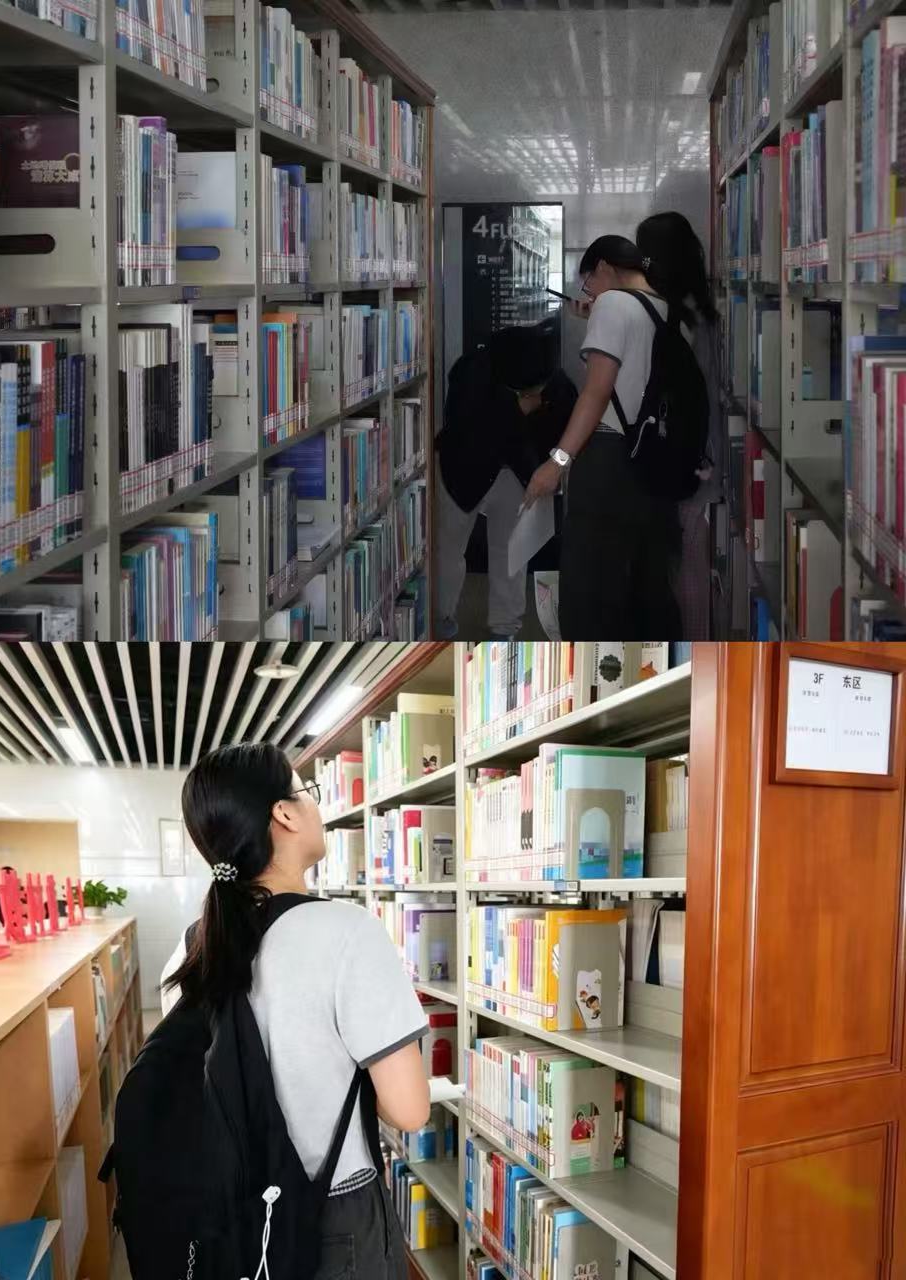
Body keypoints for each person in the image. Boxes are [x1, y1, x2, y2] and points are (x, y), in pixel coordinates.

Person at [157, 743, 429, 1280]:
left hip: (233, 1217)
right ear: (283, 813)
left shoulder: (191, 952)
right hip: (334, 1216)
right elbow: (410, 1110)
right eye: (307, 792)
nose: (314, 806)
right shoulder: (348, 932)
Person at [521, 235, 681, 638]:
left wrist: (557, 462)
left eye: (588, 279)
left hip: (606, 458)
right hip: (645, 458)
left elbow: (596, 393)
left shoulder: (613, 305)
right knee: (633, 577)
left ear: (605, 267)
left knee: (590, 582)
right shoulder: (662, 307)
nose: (587, 291)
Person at [433, 323, 578, 639]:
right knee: (448, 550)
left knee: (512, 552)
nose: (535, 394)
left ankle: (505, 626)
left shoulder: (553, 381)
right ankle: (441, 618)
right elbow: (466, 431)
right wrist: (519, 410)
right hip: (461, 470)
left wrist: (552, 469)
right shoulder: (470, 373)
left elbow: (566, 430)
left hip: (517, 470)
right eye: (527, 391)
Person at [636, 211, 723, 640]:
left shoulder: (673, 319)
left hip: (689, 458)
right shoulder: (698, 309)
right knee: (688, 562)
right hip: (703, 453)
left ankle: (694, 649)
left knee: (683, 567)